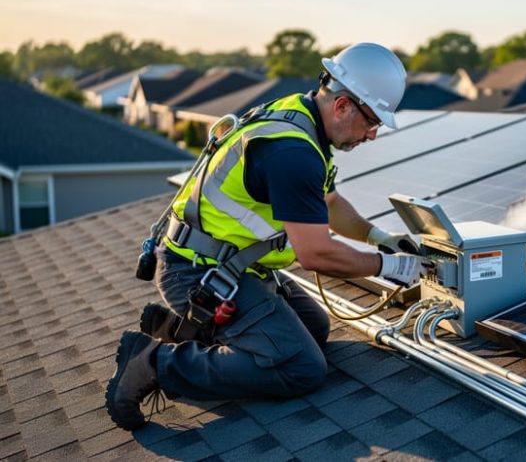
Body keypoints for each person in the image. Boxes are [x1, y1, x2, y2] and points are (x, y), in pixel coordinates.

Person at [106, 43, 429, 431]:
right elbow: (315, 253)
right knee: (301, 367)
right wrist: (389, 266)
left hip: (231, 266)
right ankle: (154, 362)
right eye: (372, 121)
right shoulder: (291, 153)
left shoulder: (302, 118)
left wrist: (378, 237)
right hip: (197, 273)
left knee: (315, 329)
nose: (372, 135)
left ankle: (184, 331)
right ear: (343, 106)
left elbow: (328, 203)